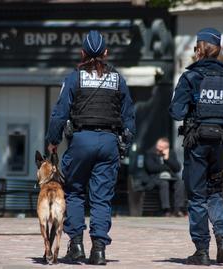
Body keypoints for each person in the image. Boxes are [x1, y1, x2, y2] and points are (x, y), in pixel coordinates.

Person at [45, 30, 135, 265]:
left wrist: (53, 141)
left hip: (81, 141)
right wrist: (126, 142)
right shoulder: (118, 79)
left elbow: (59, 114)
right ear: (106, 52)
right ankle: (99, 250)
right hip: (108, 142)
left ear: (82, 52)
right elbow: (129, 116)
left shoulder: (74, 78)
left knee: (74, 192)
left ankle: (76, 246)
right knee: (101, 199)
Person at [169, 28, 223, 265]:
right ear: (219, 50)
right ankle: (222, 236)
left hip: (197, 144)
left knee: (197, 197)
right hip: (222, 145)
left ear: (199, 48)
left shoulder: (190, 77)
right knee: (215, 192)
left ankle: (202, 251)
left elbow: (176, 111)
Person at [144, 137, 184, 217]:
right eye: (158, 146)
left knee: (180, 183)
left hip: (171, 178)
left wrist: (167, 158)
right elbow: (151, 168)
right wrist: (166, 167)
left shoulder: (171, 153)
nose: (159, 148)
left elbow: (177, 168)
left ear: (166, 148)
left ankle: (178, 209)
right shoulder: (150, 153)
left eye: (162, 147)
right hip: (155, 178)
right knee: (164, 183)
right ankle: (166, 210)